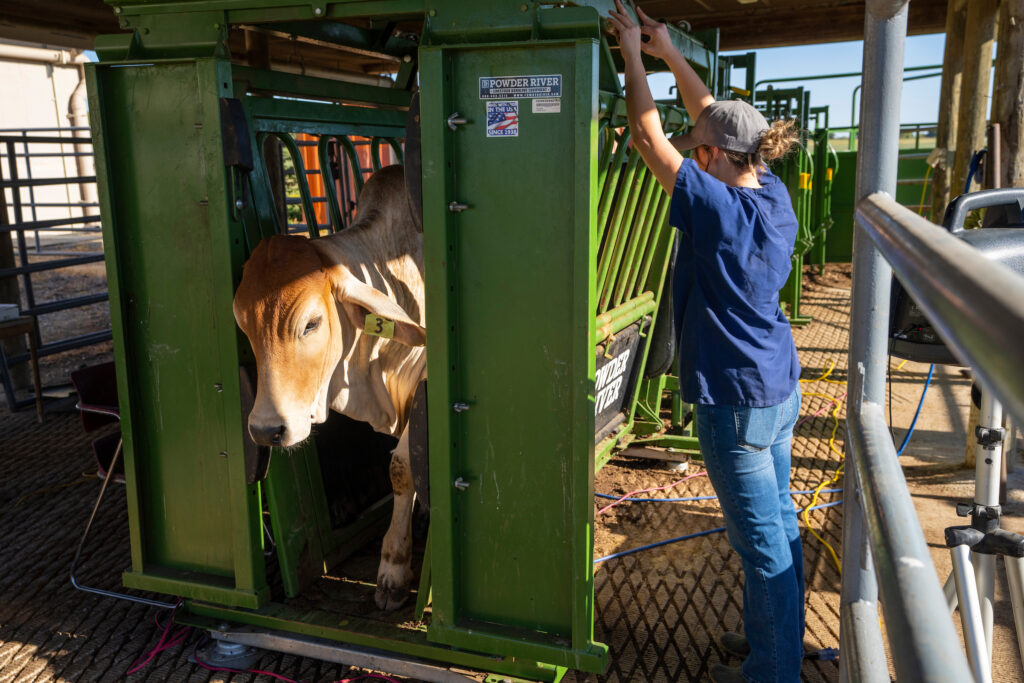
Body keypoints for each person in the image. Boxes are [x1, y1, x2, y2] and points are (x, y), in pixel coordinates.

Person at [606, 3, 804, 682]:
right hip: (779, 388)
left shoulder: (715, 208)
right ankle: (772, 645)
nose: (692, 146)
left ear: (714, 157)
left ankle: (771, 672)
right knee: (780, 526)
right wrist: (669, 54)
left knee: (762, 547)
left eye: (699, 145)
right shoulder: (771, 193)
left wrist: (633, 53)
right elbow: (714, 111)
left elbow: (644, 136)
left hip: (736, 403)